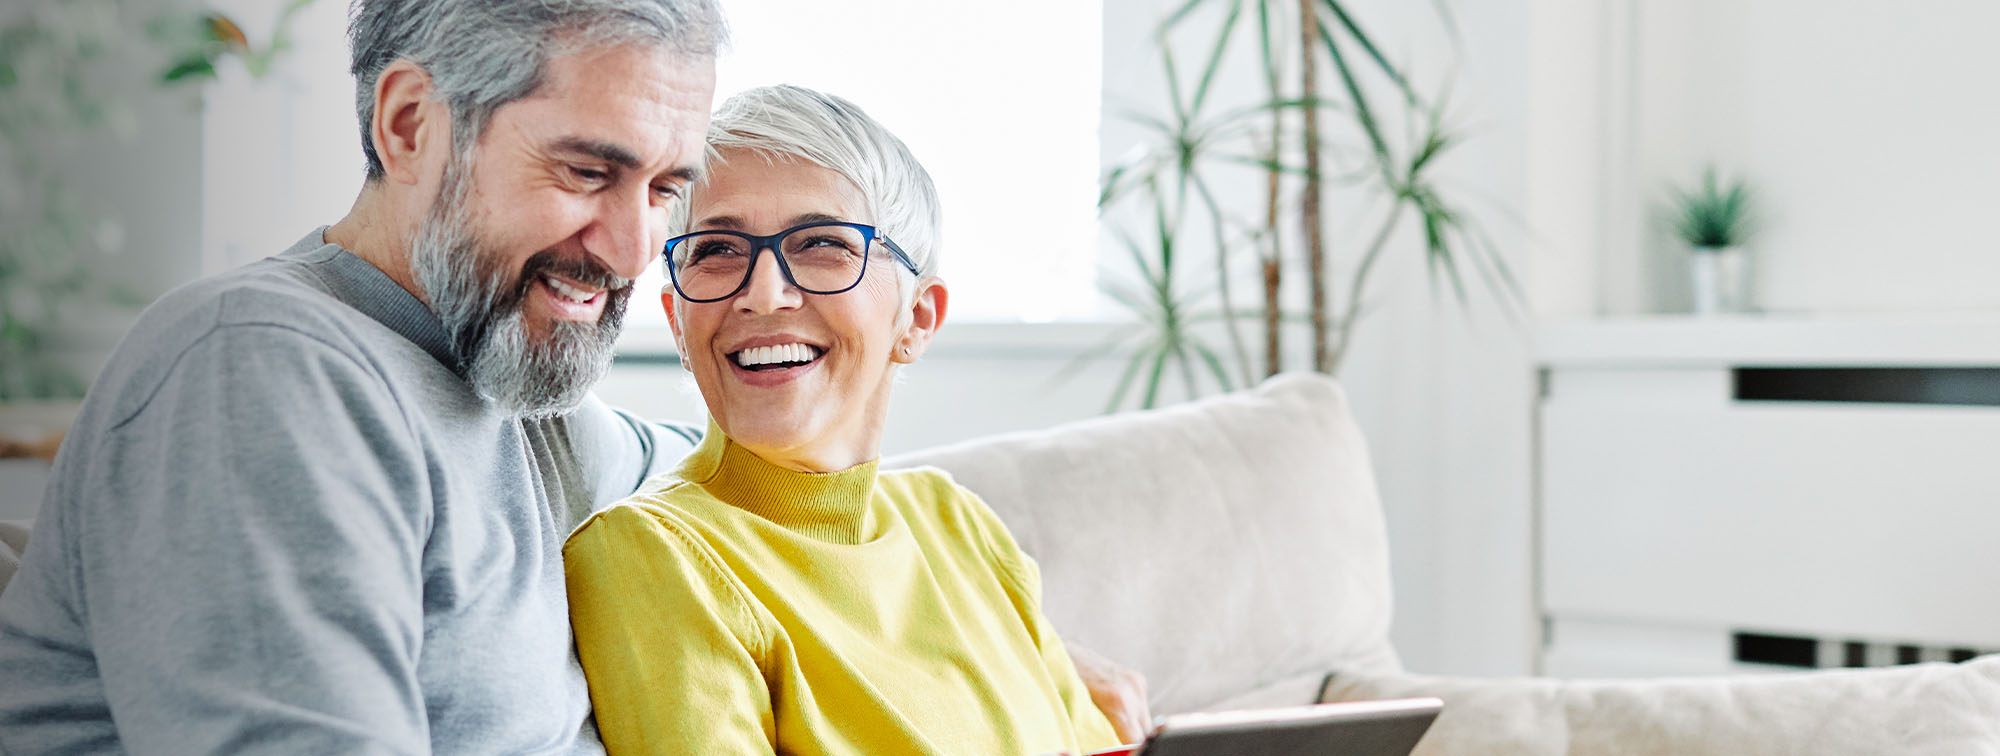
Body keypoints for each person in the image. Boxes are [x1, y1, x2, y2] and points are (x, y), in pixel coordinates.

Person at [0, 1, 725, 752]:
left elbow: (747, 477)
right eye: (585, 172)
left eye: (665, 190)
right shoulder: (261, 370)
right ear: (410, 125)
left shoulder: (509, 374)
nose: (636, 250)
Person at [564, 84, 1132, 756]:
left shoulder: (960, 522)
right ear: (678, 328)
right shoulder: (651, 553)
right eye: (716, 250)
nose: (764, 293)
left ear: (917, 318)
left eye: (822, 244)